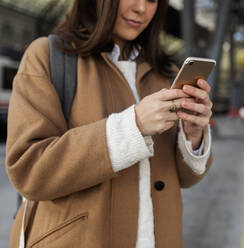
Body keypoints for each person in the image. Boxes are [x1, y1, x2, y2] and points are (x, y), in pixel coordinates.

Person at [5, 0, 213, 247]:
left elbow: (187, 179)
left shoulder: (166, 73)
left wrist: (194, 135)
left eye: (152, 0)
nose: (141, 9)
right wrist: (133, 125)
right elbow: (29, 170)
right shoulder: (47, 57)